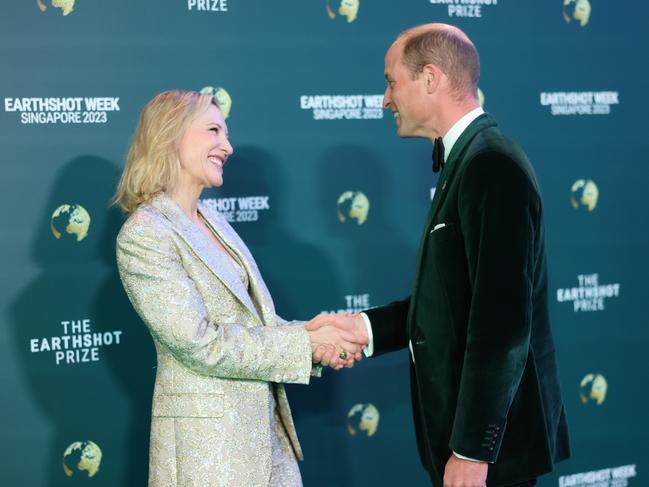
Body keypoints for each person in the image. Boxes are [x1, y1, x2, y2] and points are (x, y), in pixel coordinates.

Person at [308, 23, 570, 487]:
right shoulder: (465, 160)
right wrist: (363, 328)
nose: (385, 99)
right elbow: (452, 305)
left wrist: (472, 449)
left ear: (430, 78)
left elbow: (502, 325)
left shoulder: (490, 165)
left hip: (490, 459)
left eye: (391, 82)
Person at [114, 90, 365, 487]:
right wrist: (305, 345)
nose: (228, 146)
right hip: (208, 454)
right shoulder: (146, 235)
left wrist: (314, 334)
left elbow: (253, 322)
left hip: (267, 441)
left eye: (227, 134)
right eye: (214, 130)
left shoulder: (212, 218)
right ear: (169, 136)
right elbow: (201, 343)